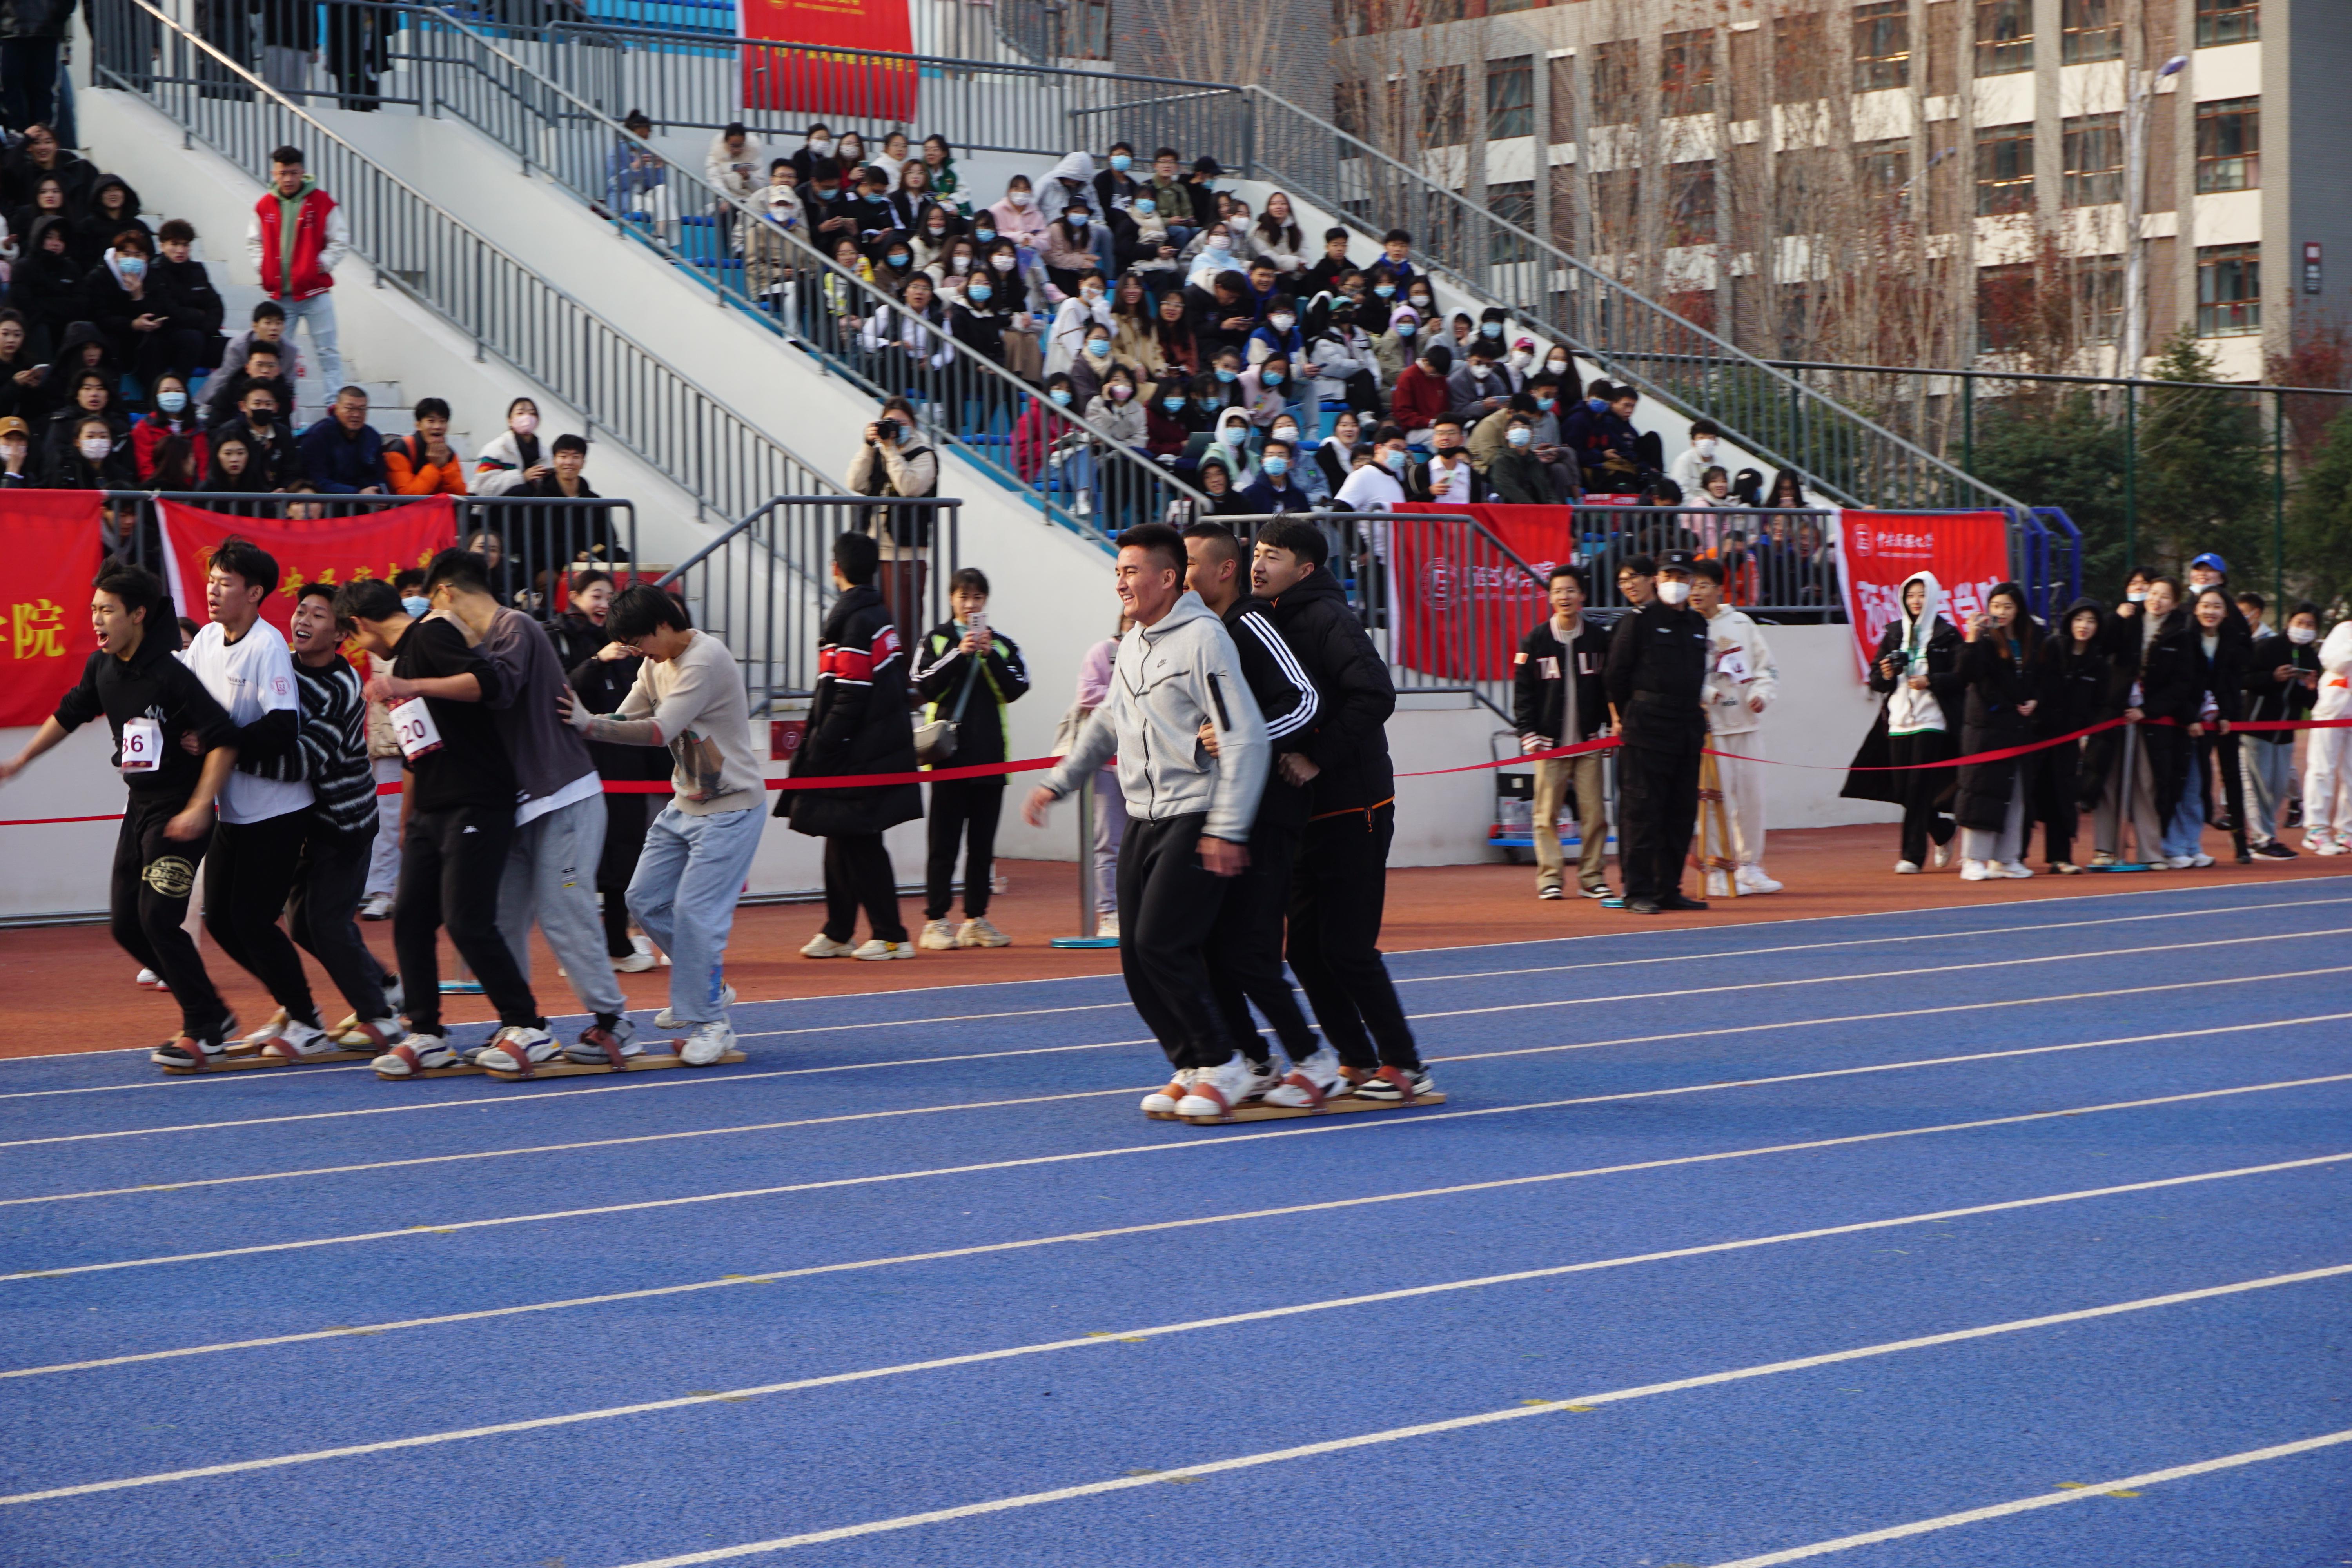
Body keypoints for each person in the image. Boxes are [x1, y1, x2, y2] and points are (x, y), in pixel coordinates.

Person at [1024, 523, 1269, 1120]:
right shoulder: (1132, 643)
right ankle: (1191, 1063)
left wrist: (1228, 827)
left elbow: (1246, 735)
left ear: (1168, 577)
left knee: (1162, 943)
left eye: (1131, 572)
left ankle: (1226, 1064)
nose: (1121, 583)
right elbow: (1107, 724)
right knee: (1135, 957)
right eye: (1118, 572)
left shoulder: (1205, 640)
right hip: (1144, 817)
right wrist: (1060, 781)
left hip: (1195, 813)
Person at [0, 564, 239, 1065]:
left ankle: (206, 1029)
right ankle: (212, 1012)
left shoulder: (172, 674)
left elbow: (223, 739)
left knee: (158, 918)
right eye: (94, 610)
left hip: (180, 812)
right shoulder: (101, 667)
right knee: (126, 926)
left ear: (138, 615)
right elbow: (69, 713)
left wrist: (201, 806)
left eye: (107, 610)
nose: (96, 619)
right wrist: (21, 761)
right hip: (140, 810)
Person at [1248, 516, 1436, 1104]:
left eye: (1273, 556)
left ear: (1305, 569)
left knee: (1348, 948)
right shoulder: (1265, 620)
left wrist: (1318, 758)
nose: (1258, 565)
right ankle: (1355, 1058)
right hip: (1306, 814)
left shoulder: (1328, 617)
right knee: (1304, 951)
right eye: (1257, 552)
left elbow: (1376, 693)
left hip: (1356, 806)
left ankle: (1405, 1065)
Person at [428, 547, 636, 1072]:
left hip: (565, 793)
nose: (431, 618)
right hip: (518, 806)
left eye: (431, 604)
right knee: (500, 918)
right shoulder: (481, 644)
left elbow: (497, 691)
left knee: (564, 913)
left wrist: (418, 677)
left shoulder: (515, 626)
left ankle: (615, 1023)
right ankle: (519, 1022)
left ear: (447, 592)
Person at [343, 569, 550, 1077]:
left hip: (477, 800)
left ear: (360, 624)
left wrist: (407, 684)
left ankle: (528, 1025)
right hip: (432, 810)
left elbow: (487, 683)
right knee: (411, 920)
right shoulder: (404, 661)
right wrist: (407, 822)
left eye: (352, 637)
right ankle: (427, 1033)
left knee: (466, 920)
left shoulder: (431, 634)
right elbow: (419, 749)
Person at [556, 584, 763, 1064]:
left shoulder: (704, 659)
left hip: (731, 808)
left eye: (639, 642)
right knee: (644, 899)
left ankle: (712, 1023)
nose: (637, 653)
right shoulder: (654, 663)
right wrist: (579, 722)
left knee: (695, 913)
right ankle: (708, 986)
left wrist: (588, 724)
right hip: (685, 804)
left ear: (665, 624)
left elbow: (657, 731)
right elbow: (624, 716)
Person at [178, 538, 336, 1060]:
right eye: (211, 581)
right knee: (221, 921)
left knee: (251, 919)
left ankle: (307, 1020)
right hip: (233, 809)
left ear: (255, 592)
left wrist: (219, 743)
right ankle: (294, 1006)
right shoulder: (205, 639)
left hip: (278, 810)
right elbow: (182, 696)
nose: (212, 591)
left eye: (225, 583)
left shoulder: (267, 646)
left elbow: (283, 728)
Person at [1181, 521, 1322, 1092]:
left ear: (1224, 570)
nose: (1179, 574)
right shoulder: (1200, 632)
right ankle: (1254, 1061)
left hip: (1268, 813)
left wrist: (1245, 735)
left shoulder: (1250, 622)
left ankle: (1314, 1062)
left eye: (1189, 563)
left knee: (1249, 951)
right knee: (1208, 947)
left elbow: (1304, 699)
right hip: (1222, 812)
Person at [778, 532, 922, 960]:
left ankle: (892, 936)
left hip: (858, 752)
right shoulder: (872, 615)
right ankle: (839, 931)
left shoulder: (857, 620)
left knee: (861, 841)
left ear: (835, 568)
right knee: (840, 834)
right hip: (863, 748)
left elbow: (850, 695)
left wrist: (821, 747)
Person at [283, 581, 401, 1050]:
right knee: (301, 924)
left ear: (340, 635)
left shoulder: (343, 686)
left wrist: (232, 750)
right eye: (301, 610)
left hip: (345, 823)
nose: (304, 620)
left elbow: (305, 759)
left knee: (328, 922)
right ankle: (385, 986)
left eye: (318, 615)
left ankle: (379, 1016)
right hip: (305, 822)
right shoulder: (280, 668)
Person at [547, 570, 666, 969]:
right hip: (581, 767)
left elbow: (645, 709)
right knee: (578, 864)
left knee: (624, 857)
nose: (603, 604)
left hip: (627, 767)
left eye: (609, 597)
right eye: (595, 595)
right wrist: (599, 660)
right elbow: (559, 694)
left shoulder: (631, 647)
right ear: (575, 597)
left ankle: (619, 946)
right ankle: (578, 952)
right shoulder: (557, 637)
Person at [910, 568, 1030, 950]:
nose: (970, 604)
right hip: (948, 759)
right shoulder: (937, 639)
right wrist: (959, 655)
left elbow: (1017, 687)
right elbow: (923, 684)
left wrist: (989, 655)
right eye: (964, 597)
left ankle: (976, 919)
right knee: (943, 844)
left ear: (986, 601)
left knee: (982, 847)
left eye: (977, 597)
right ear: (952, 599)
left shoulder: (1003, 644)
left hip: (991, 758)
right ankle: (936, 921)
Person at [1606, 549, 1711, 913]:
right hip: (1647, 728)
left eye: (1682, 577)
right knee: (1641, 813)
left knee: (1680, 813)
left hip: (1686, 728)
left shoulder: (1698, 623)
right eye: (1668, 577)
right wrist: (1627, 715)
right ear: (1656, 579)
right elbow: (1615, 675)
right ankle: (1638, 891)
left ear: (1692, 582)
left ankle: (1668, 889)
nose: (1675, 584)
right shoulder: (1638, 621)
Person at [1844, 570, 1963, 871]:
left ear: (1933, 598)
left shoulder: (1948, 635)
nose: (1916, 601)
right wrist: (1886, 674)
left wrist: (1930, 681)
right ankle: (1942, 830)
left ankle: (1911, 856)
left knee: (1918, 787)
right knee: (1901, 789)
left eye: (1922, 595)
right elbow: (1877, 679)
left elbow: (1961, 677)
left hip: (1932, 720)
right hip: (1897, 721)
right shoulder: (1895, 634)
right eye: (1911, 595)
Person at [1513, 564, 1612, 900]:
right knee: (1545, 815)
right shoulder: (1536, 640)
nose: (1564, 597)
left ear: (1582, 595)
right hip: (1549, 745)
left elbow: (1610, 685)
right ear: (1550, 597)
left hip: (1590, 742)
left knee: (1595, 814)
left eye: (1570, 590)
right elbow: (1523, 692)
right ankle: (1550, 879)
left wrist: (1609, 726)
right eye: (1557, 591)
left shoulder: (1599, 638)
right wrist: (1527, 732)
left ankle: (1593, 877)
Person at [1690, 557, 1780, 894]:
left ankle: (1749, 866)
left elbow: (1767, 668)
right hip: (1710, 730)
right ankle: (1717, 870)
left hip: (1746, 726)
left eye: (1703, 585)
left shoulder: (1741, 623)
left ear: (1719, 589)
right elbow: (1678, 674)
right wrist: (1706, 693)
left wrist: (1761, 695)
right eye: (1692, 586)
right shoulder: (1686, 626)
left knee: (1752, 800)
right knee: (1716, 802)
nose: (1696, 592)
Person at [244, 147, 347, 412]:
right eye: (282, 174)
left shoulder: (322, 202)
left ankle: (334, 404)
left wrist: (319, 265)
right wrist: (263, 267)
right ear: (274, 173)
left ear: (303, 172)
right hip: (280, 296)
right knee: (274, 353)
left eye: (293, 173)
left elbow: (340, 239)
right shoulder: (264, 205)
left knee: (327, 350)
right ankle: (277, 402)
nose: (288, 179)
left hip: (316, 293)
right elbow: (254, 241)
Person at [1952, 582, 2042, 881]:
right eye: (1996, 606)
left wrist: (2035, 700)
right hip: (1986, 729)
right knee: (1981, 791)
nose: (2001, 612)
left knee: (2014, 793)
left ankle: (2006, 858)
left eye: (2008, 607)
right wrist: (1972, 637)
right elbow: (1965, 674)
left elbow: (2042, 678)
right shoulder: (1984, 639)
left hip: (2018, 729)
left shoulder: (2032, 637)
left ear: (2019, 610)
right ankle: (1973, 859)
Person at [1060, 612, 1132, 937]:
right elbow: (1086, 696)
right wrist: (1126, 695)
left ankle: (1136, 909)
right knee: (1108, 841)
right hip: (1105, 764)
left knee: (1143, 840)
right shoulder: (1102, 652)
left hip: (1142, 762)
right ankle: (1109, 913)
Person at [2029, 597, 2110, 875]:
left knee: (2062, 796)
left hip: (2068, 740)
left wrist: (2085, 730)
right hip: (2037, 735)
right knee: (2028, 794)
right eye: (2079, 619)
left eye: (2091, 621)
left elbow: (2100, 704)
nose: (2084, 626)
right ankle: (2014, 857)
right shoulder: (2051, 647)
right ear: (2069, 622)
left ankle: (2061, 857)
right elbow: (2035, 682)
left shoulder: (2098, 663)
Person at [2242, 601, 2321, 856]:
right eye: (2300, 622)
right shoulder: (2268, 647)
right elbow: (2245, 679)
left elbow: (2310, 703)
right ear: (2289, 623)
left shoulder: (2311, 658)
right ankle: (2262, 840)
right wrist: (2273, 678)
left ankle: (2267, 837)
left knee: (2277, 788)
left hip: (2285, 732)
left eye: (2310, 625)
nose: (2304, 628)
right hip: (2257, 728)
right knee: (2258, 786)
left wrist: (2310, 688)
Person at [2184, 584, 2251, 865]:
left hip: (2226, 715)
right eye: (2205, 606)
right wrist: (2192, 715)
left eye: (2217, 606)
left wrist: (2226, 714)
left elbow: (2233, 682)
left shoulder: (2232, 640)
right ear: (2196, 609)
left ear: (2226, 613)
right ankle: (2193, 839)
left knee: (2232, 774)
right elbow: (2186, 680)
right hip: (2195, 716)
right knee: (2198, 775)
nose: (2210, 612)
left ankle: (2240, 839)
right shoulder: (2187, 637)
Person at [2304, 612, 2352, 855]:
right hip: (2332, 711)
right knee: (2323, 769)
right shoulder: (2345, 630)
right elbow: (2333, 662)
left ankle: (2347, 831)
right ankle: (2316, 829)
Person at [298, 384, 387, 494]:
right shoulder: (317, 436)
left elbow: (379, 477)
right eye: (350, 409)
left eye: (362, 409)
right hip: (326, 500)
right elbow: (317, 481)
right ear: (336, 409)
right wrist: (358, 493)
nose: (356, 415)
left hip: (367, 499)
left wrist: (378, 491)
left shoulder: (373, 437)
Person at [383, 396, 468, 495]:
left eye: (443, 422)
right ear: (418, 425)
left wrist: (445, 467)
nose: (438, 427)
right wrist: (434, 466)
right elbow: (407, 496)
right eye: (431, 421)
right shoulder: (401, 451)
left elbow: (461, 494)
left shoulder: (448, 454)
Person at [473, 396, 548, 496]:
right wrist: (522, 477)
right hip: (496, 505)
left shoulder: (546, 454)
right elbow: (484, 488)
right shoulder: (495, 449)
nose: (527, 418)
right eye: (520, 413)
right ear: (510, 421)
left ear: (538, 421)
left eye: (532, 413)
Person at [1237, 436, 1313, 515]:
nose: (1275, 459)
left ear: (1290, 463)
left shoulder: (1298, 495)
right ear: (1263, 462)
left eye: (1281, 455)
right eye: (1270, 455)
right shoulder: (1250, 494)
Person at [1669, 418, 1726, 497]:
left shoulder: (1719, 462)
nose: (1707, 442)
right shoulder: (1684, 461)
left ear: (1716, 442)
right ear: (1693, 443)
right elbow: (1680, 491)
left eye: (1711, 438)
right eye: (1701, 438)